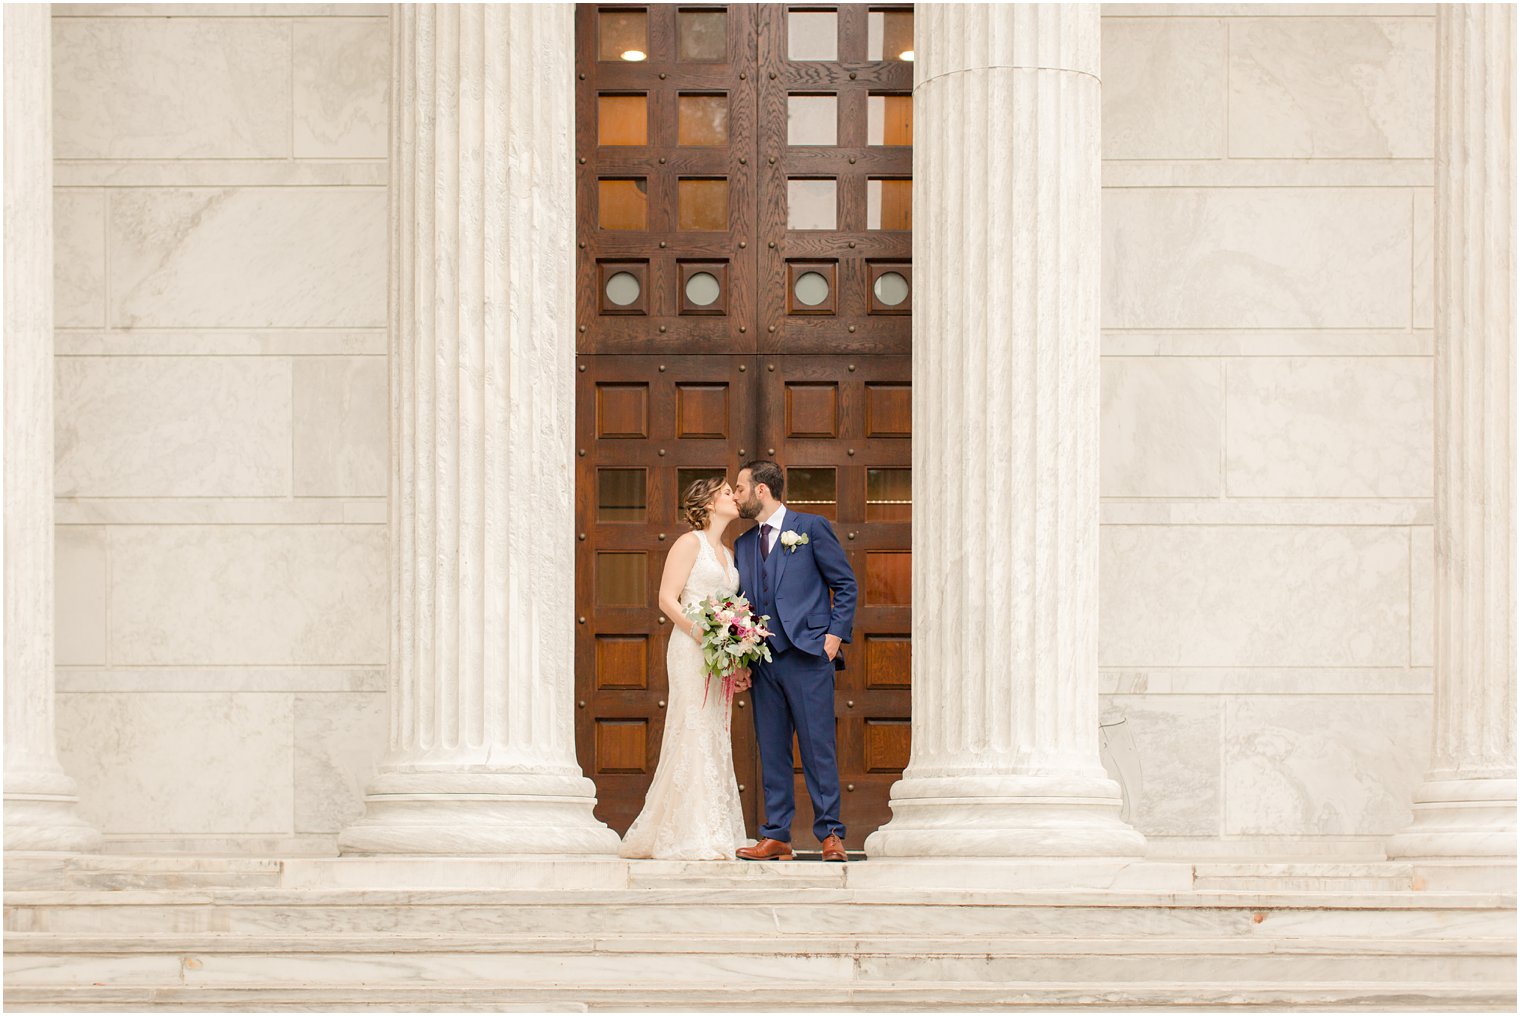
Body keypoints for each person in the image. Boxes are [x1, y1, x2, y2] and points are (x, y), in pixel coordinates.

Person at [731, 460, 857, 862]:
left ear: (761, 491)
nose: (736, 495)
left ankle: (831, 834)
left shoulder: (811, 527)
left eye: (740, 488)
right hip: (764, 662)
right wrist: (742, 655)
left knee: (818, 747)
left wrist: (833, 639)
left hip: (808, 656)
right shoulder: (744, 544)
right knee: (772, 749)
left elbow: (845, 584)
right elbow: (744, 604)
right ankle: (777, 834)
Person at [618, 477, 750, 860]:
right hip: (691, 649)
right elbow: (666, 598)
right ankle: (689, 833)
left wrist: (735, 652)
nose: (733, 497)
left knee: (714, 732)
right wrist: (700, 633)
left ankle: (714, 828)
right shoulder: (688, 542)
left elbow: (731, 608)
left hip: (718, 655)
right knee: (692, 727)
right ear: (708, 503)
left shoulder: (727, 552)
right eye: (727, 492)